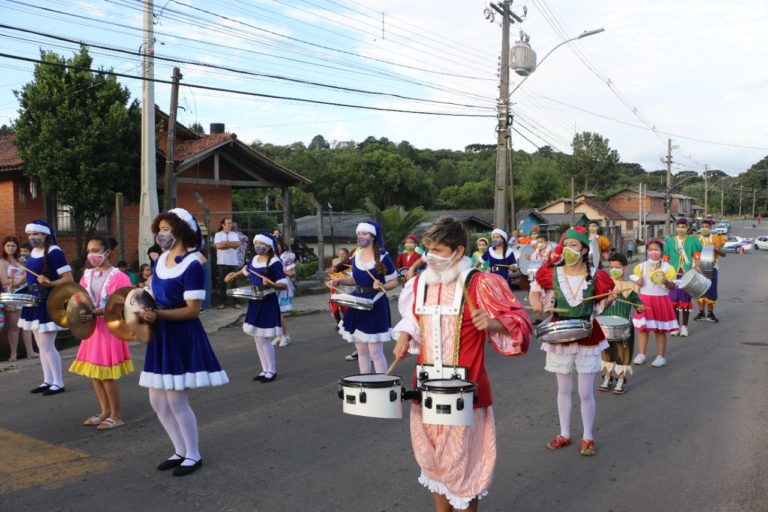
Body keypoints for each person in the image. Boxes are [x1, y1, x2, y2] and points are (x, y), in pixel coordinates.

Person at [392, 216, 531, 512]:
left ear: (458, 251)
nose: (431, 257)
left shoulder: (480, 284)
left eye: (438, 251)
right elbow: (413, 320)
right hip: (425, 389)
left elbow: (520, 323)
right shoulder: (419, 284)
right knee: (432, 461)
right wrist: (404, 336)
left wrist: (493, 323)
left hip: (465, 393)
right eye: (428, 250)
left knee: (465, 467)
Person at [139, 208, 229, 476]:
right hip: (160, 335)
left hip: (181, 335)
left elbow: (192, 311)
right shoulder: (160, 261)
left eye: (166, 230)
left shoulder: (192, 265)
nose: (160, 235)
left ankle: (193, 454)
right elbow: (152, 295)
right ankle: (179, 450)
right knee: (157, 402)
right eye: (159, 229)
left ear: (180, 231)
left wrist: (158, 314)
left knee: (176, 401)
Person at [529, 226, 616, 457]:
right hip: (559, 333)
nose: (567, 249)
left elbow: (599, 307)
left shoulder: (597, 276)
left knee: (585, 392)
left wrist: (609, 299)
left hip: (588, 334)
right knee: (563, 389)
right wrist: (537, 302)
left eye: (573, 245)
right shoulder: (552, 273)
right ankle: (564, 433)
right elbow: (535, 291)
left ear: (584, 250)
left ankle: (587, 437)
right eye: (565, 245)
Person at [69, 236, 134, 429]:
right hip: (92, 330)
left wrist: (95, 312)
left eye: (96, 250)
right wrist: (80, 311)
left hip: (109, 329)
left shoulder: (119, 276)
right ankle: (104, 411)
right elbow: (80, 298)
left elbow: (123, 305)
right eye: (89, 251)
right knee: (95, 374)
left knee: (107, 375)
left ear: (107, 252)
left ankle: (116, 415)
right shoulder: (87, 275)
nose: (92, 255)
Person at [326, 221, 398, 374]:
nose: (360, 237)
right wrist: (339, 281)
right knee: (361, 351)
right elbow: (354, 279)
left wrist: (382, 285)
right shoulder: (357, 256)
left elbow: (394, 282)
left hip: (375, 303)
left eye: (364, 234)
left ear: (373, 236)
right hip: (357, 303)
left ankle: (382, 383)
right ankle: (364, 381)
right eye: (359, 234)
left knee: (375, 352)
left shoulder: (383, 256)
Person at [20, 220, 74, 395]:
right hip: (33, 299)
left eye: (36, 234)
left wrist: (49, 283)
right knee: (40, 345)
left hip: (48, 300)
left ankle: (58, 382)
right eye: (30, 234)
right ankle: (47, 380)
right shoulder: (34, 251)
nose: (32, 237)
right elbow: (29, 274)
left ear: (45, 235)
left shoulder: (54, 251)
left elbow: (68, 278)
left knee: (47, 345)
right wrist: (16, 284)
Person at [226, 232, 287, 382]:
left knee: (263, 337)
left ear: (269, 246)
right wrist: (233, 275)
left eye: (262, 244)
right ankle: (265, 370)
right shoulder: (254, 259)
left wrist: (272, 284)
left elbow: (283, 284)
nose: (258, 246)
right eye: (256, 243)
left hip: (267, 300)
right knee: (257, 338)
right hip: (255, 301)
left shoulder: (274, 262)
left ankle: (271, 371)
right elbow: (245, 271)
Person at [599, 254, 644, 394]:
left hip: (623, 326)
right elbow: (599, 304)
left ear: (625, 268)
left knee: (622, 353)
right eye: (611, 267)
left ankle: (621, 380)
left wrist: (640, 307)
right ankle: (607, 377)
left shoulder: (630, 286)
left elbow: (637, 303)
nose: (613, 269)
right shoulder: (605, 284)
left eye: (617, 267)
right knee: (606, 352)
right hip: (605, 325)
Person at [631, 239, 679, 367]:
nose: (653, 252)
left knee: (660, 330)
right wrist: (638, 282)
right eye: (651, 250)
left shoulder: (668, 268)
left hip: (661, 300)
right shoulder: (640, 267)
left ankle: (660, 356)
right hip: (644, 300)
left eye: (656, 250)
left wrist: (665, 282)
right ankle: (641, 354)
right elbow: (635, 281)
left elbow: (672, 287)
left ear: (661, 251)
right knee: (643, 329)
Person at [0, 236, 38, 361]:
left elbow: (29, 275)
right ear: (4, 247)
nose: (10, 248)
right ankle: (13, 354)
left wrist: (20, 280)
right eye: (8, 245)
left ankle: (30, 351)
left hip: (25, 295)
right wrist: (20, 280)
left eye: (13, 245)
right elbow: (4, 281)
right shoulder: (2, 262)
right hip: (11, 295)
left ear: (17, 247)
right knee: (13, 327)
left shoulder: (21, 261)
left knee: (27, 325)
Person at [663, 217, 702, 337]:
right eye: (678, 227)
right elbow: (666, 258)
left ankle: (684, 327)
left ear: (687, 227)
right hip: (673, 275)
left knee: (685, 301)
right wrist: (665, 271)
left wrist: (697, 267)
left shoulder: (692, 240)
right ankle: (676, 327)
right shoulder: (669, 241)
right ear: (675, 227)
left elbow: (696, 255)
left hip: (687, 274)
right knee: (674, 301)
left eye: (683, 227)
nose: (680, 229)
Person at [694, 219, 726, 323]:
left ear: (710, 228)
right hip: (699, 268)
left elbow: (724, 254)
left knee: (711, 290)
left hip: (712, 267)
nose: (704, 228)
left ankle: (710, 313)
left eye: (707, 227)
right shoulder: (695, 239)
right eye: (703, 226)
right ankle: (701, 312)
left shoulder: (717, 238)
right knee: (700, 290)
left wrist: (716, 249)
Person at [214, 218, 241, 309]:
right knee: (222, 283)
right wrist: (231, 245)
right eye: (228, 223)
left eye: (231, 223)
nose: (230, 225)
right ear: (223, 225)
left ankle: (236, 303)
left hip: (233, 262)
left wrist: (226, 243)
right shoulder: (218, 234)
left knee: (234, 283)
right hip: (222, 262)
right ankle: (222, 303)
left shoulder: (234, 234)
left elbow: (237, 244)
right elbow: (218, 246)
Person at [273, 242, 296, 348]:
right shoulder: (270, 257)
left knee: (277, 313)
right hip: (271, 286)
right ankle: (279, 335)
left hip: (282, 286)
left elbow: (292, 273)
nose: (275, 247)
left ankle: (286, 336)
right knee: (273, 313)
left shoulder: (286, 256)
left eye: (277, 244)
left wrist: (281, 271)